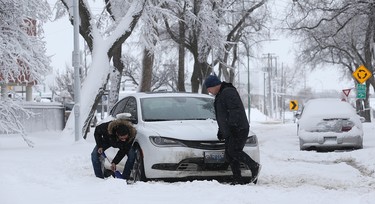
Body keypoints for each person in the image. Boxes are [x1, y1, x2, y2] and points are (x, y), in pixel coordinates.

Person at [204, 74, 260, 185]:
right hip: (231, 129)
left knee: (234, 151)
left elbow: (234, 111)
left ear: (215, 85)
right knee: (230, 154)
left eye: (209, 88)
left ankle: (254, 166)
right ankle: (237, 178)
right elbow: (223, 115)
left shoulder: (228, 92)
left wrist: (233, 127)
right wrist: (222, 130)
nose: (209, 91)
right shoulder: (222, 93)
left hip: (238, 128)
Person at [91, 115, 137, 180]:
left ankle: (125, 177)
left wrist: (114, 162)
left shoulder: (131, 135)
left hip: (122, 144)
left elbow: (123, 150)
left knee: (132, 154)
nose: (124, 139)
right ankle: (99, 178)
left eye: (125, 138)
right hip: (107, 141)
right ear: (117, 134)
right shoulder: (107, 127)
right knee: (94, 154)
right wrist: (100, 146)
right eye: (122, 138)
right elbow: (97, 131)